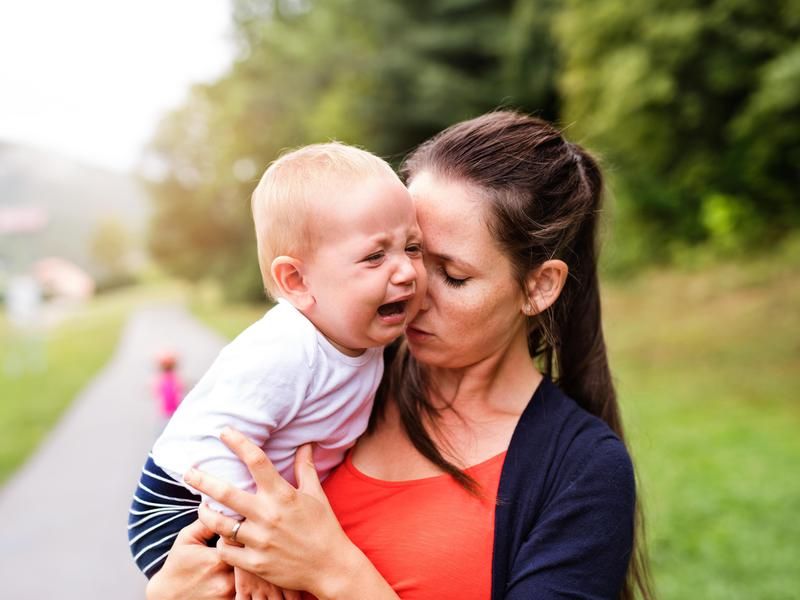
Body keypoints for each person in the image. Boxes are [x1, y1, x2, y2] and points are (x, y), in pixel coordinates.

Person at [146, 110, 652, 600]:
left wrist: (335, 571)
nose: (410, 285)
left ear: (539, 286)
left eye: (452, 274)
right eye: (406, 251)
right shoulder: (344, 377)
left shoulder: (582, 470)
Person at [128, 142, 426, 598]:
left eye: (412, 246)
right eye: (375, 256)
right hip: (181, 502)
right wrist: (241, 537)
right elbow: (222, 446)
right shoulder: (286, 349)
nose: (406, 271)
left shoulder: (365, 336)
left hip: (244, 502)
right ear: (297, 281)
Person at [153, 350, 183, 425]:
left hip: (165, 411)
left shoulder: (161, 379)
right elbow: (180, 388)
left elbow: (156, 392)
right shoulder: (175, 378)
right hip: (175, 410)